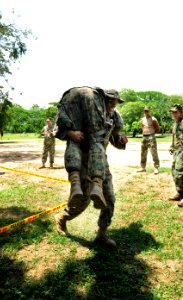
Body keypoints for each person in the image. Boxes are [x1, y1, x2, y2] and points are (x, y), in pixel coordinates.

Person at [55, 86, 128, 247]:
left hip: (101, 163)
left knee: (109, 198)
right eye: (109, 101)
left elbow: (115, 139)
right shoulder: (88, 110)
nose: (111, 105)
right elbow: (60, 129)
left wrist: (121, 141)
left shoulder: (114, 117)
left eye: (114, 103)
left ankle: (101, 234)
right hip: (83, 161)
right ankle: (62, 218)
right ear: (102, 100)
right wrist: (70, 133)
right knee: (83, 200)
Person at [137, 107, 160, 174]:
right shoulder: (142, 119)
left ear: (149, 111)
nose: (146, 112)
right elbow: (142, 127)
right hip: (144, 136)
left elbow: (157, 128)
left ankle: (156, 167)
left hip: (151, 136)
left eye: (147, 111)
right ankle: (143, 167)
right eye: (145, 111)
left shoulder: (153, 119)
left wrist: (152, 133)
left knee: (154, 152)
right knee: (143, 152)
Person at [168, 104, 183, 207]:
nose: (173, 114)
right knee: (174, 172)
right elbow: (174, 137)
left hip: (182, 151)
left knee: (180, 173)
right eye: (172, 112)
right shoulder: (175, 123)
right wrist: (171, 147)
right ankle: (179, 193)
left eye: (175, 112)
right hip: (176, 151)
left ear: (181, 113)